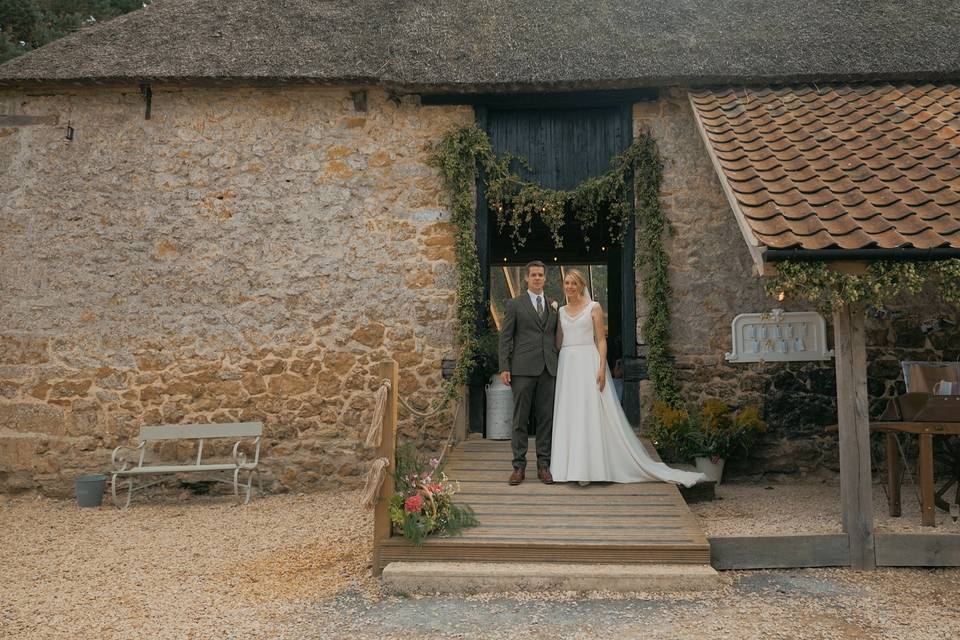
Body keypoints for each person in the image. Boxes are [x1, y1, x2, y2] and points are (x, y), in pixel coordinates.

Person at [549, 269, 706, 488]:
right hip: (568, 364)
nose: (570, 287)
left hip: (588, 361)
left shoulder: (593, 308)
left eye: (574, 283)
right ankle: (566, 468)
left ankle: (589, 468)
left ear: (581, 285)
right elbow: (558, 341)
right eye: (567, 283)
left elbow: (601, 341)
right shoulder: (562, 312)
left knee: (588, 412)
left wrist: (602, 368)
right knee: (570, 412)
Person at [497, 260, 559, 485]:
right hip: (522, 369)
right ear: (526, 278)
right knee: (520, 419)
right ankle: (518, 467)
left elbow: (557, 337)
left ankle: (544, 465)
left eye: (540, 275)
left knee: (546, 419)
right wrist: (504, 366)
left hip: (548, 369)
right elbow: (505, 337)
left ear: (545, 278)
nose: (537, 278)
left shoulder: (553, 304)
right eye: (533, 275)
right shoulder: (515, 304)